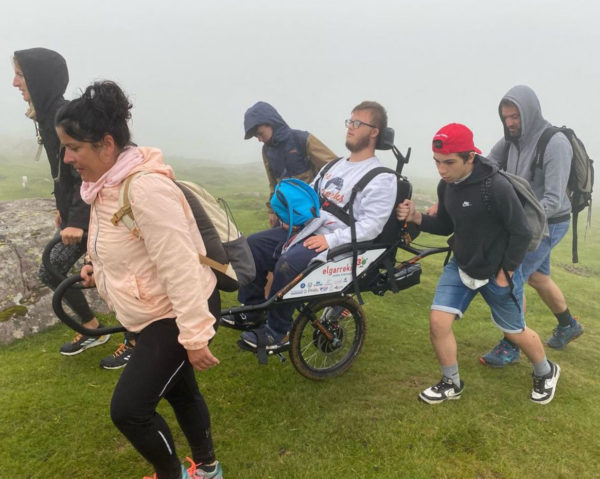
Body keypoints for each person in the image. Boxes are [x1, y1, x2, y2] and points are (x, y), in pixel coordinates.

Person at [55, 81, 223, 479]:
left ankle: (173, 474)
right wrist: (98, 268)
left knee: (129, 411)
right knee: (182, 391)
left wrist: (195, 335)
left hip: (175, 311)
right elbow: (121, 241)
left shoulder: (145, 188)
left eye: (75, 147)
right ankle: (209, 469)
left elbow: (180, 264)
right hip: (153, 309)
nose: (66, 158)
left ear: (107, 144)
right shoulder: (105, 185)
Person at [397, 123, 560, 405]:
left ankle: (546, 371)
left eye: (449, 163)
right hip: (461, 264)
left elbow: (521, 232)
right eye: (437, 162)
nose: (441, 170)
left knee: (514, 332)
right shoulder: (446, 185)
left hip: (498, 271)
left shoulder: (496, 186)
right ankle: (451, 382)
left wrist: (506, 272)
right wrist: (417, 218)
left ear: (470, 157)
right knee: (438, 321)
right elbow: (447, 223)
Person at [226, 101, 397, 350]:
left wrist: (330, 240)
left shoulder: (382, 177)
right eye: (350, 121)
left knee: (287, 264)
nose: (350, 127)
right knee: (252, 246)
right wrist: (291, 216)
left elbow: (371, 227)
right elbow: (311, 198)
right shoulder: (333, 166)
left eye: (358, 123)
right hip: (307, 229)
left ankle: (277, 332)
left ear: (374, 132)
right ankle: (254, 311)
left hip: (335, 240)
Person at [12, 47, 135, 368]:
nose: (14, 83)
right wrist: (62, 210)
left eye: (20, 75)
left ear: (39, 78)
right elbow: (64, 175)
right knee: (76, 270)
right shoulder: (51, 114)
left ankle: (133, 337)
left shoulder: (62, 115)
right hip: (80, 213)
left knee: (102, 271)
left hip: (98, 212)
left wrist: (79, 219)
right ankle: (95, 328)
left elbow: (92, 168)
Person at [480, 85, 583, 368]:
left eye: (515, 116)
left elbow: (551, 198)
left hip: (548, 222)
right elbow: (487, 165)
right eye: (506, 117)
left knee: (515, 275)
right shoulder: (510, 140)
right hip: (525, 219)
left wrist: (516, 222)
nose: (510, 122)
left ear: (530, 112)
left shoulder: (555, 143)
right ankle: (568, 325)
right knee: (538, 277)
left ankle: (511, 344)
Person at [244, 101, 337, 227]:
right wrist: (272, 210)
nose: (260, 139)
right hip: (285, 210)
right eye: (256, 136)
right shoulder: (266, 150)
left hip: (312, 209)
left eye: (260, 133)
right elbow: (273, 183)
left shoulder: (302, 139)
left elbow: (334, 167)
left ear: (271, 123)